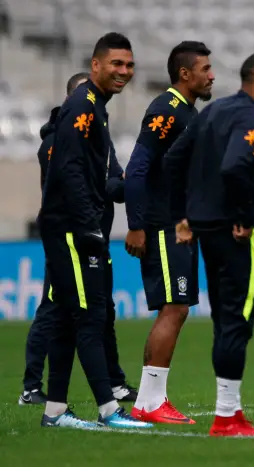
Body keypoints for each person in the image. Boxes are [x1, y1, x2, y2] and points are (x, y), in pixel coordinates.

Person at [163, 52, 254, 437]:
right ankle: (228, 417)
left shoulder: (213, 112)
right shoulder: (251, 117)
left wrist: (185, 213)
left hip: (207, 230)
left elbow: (173, 159)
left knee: (224, 320)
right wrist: (247, 217)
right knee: (237, 321)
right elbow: (235, 166)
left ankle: (227, 413)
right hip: (237, 232)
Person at [37, 32, 151, 430]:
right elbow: (67, 169)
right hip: (72, 229)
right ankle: (108, 409)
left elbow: (97, 176)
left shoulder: (95, 107)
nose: (124, 71)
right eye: (116, 64)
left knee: (72, 318)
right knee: (90, 315)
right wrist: (89, 225)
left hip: (71, 227)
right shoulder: (83, 106)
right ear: (96, 65)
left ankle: (55, 411)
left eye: (129, 64)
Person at [20, 72, 137, 406]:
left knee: (102, 310)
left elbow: (112, 183)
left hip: (97, 235)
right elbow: (74, 182)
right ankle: (32, 387)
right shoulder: (56, 141)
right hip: (70, 237)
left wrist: (125, 183)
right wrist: (110, 184)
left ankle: (113, 385)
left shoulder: (100, 136)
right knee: (56, 309)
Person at [124, 41, 214, 425]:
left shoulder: (189, 113)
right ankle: (149, 403)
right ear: (184, 74)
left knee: (178, 309)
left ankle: (150, 401)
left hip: (180, 227)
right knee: (173, 308)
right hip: (163, 226)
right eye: (205, 69)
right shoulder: (166, 109)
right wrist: (136, 225)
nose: (211, 76)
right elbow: (137, 168)